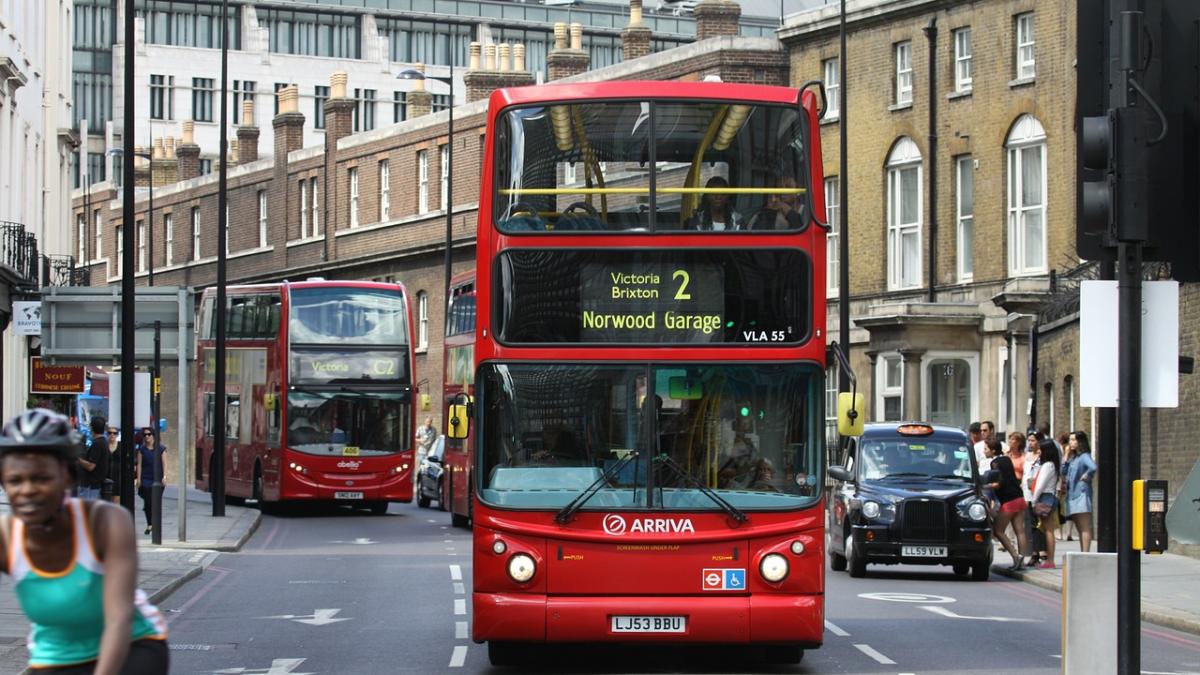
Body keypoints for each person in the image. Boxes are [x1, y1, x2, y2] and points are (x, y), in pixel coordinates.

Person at [0, 409, 170, 674]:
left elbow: (118, 618)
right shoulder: (6, 537)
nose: (27, 490)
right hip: (57, 656)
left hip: (131, 645)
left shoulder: (106, 522)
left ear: (67, 477)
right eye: (14, 481)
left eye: (42, 478)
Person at [987, 451, 1029, 570]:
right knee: (1020, 531)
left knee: (998, 531)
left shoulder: (1000, 480)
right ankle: (1021, 558)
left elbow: (992, 486)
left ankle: (1015, 556)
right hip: (1020, 500)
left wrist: (981, 485)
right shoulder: (1012, 478)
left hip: (1009, 503)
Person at [1063, 430, 1097, 552]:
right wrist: (1066, 457)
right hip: (1072, 494)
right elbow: (1063, 471)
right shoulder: (1074, 458)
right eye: (1070, 440)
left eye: (1073, 440)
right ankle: (1083, 551)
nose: (1070, 443)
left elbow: (1093, 467)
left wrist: (1087, 474)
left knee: (1084, 526)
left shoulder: (1084, 456)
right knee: (1078, 526)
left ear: (1080, 441)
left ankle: (1085, 552)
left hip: (1081, 493)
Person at [1030, 438, 1061, 569]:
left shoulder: (1048, 465)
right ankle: (1049, 559)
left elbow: (1040, 485)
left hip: (1045, 497)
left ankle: (1050, 560)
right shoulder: (1053, 465)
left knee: (1048, 530)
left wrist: (1034, 500)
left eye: (1041, 449)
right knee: (1047, 529)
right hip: (1050, 496)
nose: (1039, 452)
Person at [134, 427, 168, 536]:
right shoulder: (142, 450)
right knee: (148, 503)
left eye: (149, 434)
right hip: (146, 478)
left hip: (158, 478)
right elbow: (139, 464)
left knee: (156, 502)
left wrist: (165, 476)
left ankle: (155, 523)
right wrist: (138, 479)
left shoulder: (161, 449)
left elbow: (165, 464)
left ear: (153, 435)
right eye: (145, 435)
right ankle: (150, 524)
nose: (147, 437)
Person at [78, 416, 109, 500]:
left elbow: (91, 466)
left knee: (86, 511)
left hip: (91, 486)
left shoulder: (97, 444)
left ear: (92, 428)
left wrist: (78, 459)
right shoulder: (104, 442)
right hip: (95, 485)